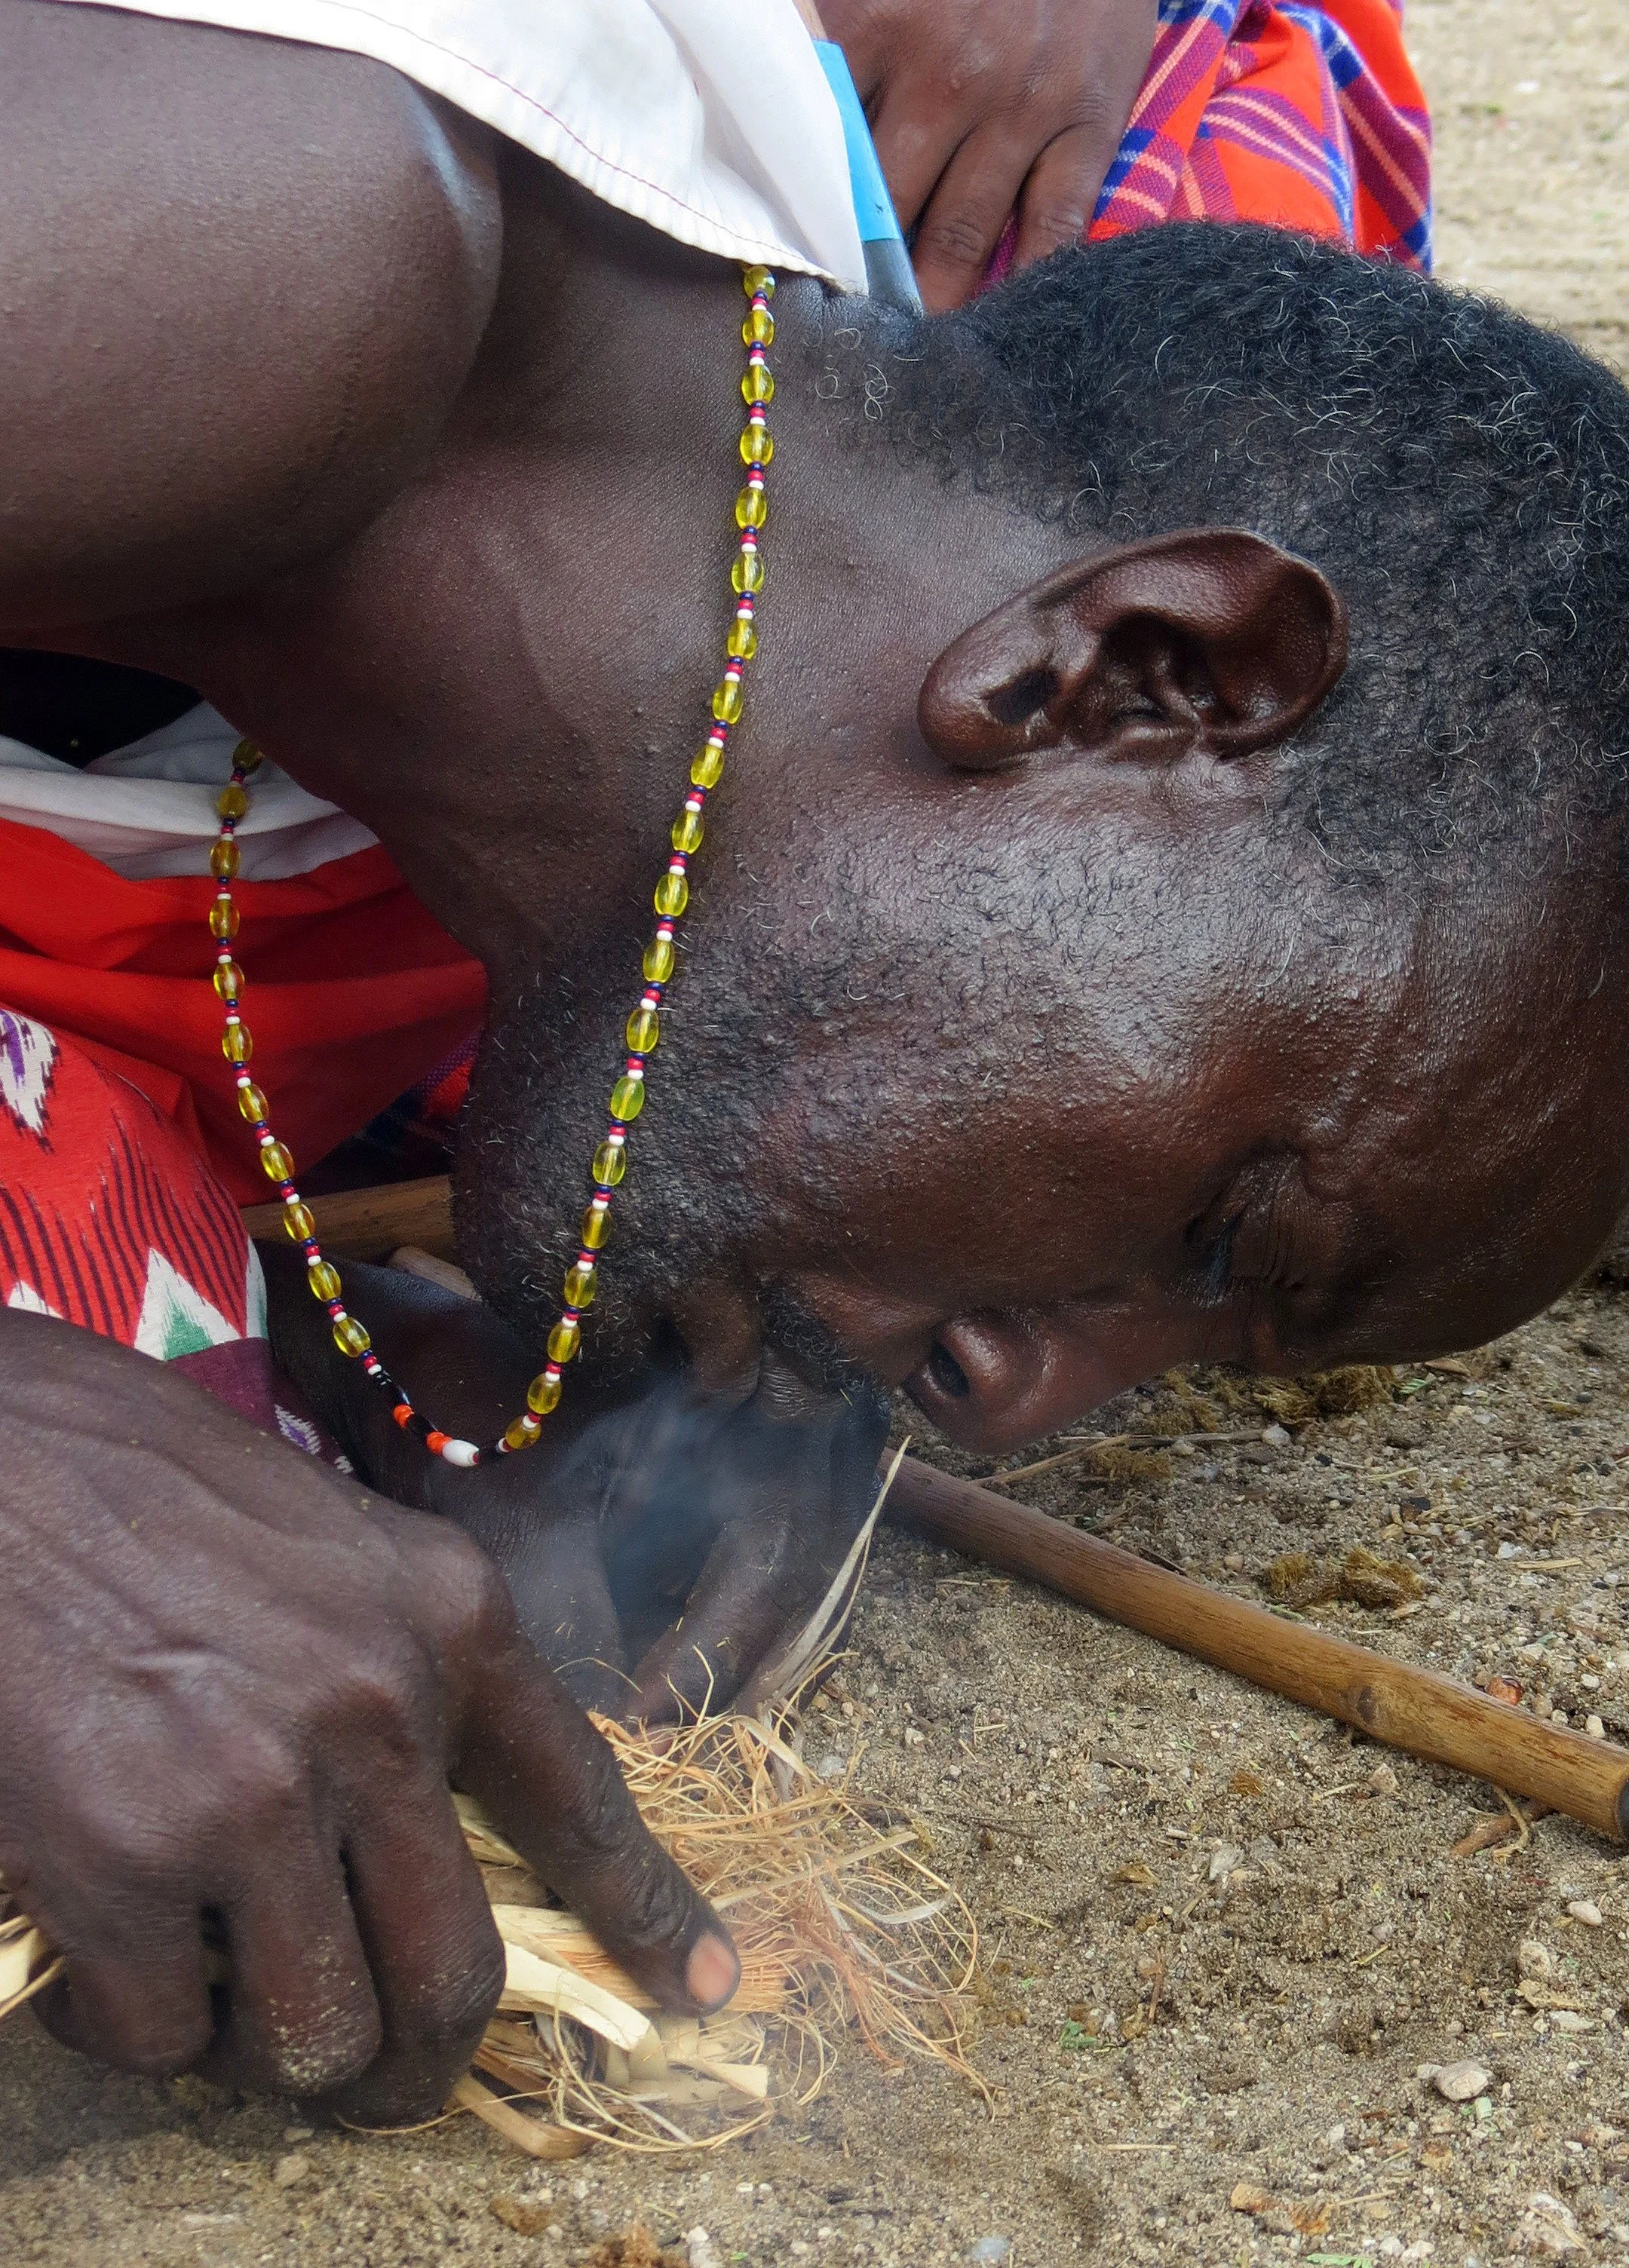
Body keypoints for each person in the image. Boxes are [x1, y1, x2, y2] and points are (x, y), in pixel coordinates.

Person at [9, 0, 1621, 2133]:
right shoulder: (282, 252)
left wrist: (334, 1356)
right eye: (1221, 1230)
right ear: (1133, 678)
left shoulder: (591, 786)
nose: (1019, 1406)